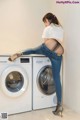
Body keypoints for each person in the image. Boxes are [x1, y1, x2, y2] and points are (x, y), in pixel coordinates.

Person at [8, 13, 64, 116]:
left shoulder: (48, 28)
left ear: (47, 20)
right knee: (56, 78)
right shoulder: (60, 28)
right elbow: (60, 41)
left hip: (48, 49)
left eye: (45, 22)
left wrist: (47, 52)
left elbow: (46, 42)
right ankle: (59, 106)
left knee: (33, 50)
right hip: (58, 53)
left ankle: (20, 53)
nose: (45, 25)